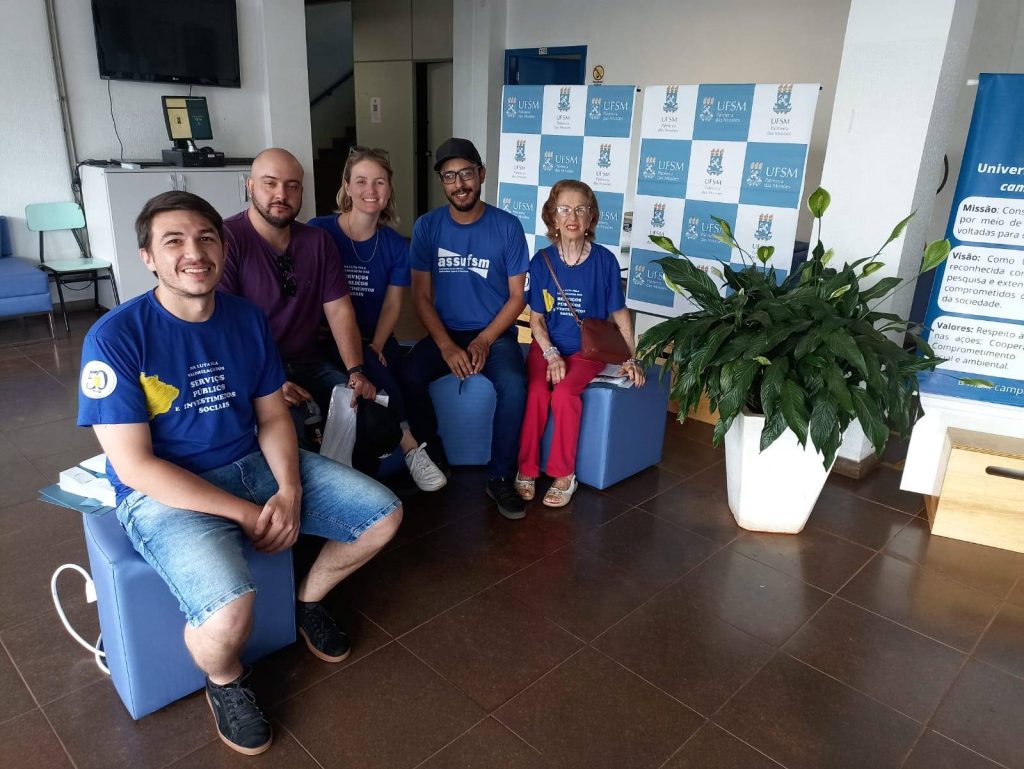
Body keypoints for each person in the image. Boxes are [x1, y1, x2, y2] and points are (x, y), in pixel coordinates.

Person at [78, 191, 402, 756]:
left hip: (251, 462)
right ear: (147, 257)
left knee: (383, 516)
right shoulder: (115, 337)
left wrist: (290, 490)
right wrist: (247, 513)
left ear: (224, 249)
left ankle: (308, 599)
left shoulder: (246, 319)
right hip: (164, 493)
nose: (194, 252)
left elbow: (273, 416)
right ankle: (226, 679)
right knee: (229, 617)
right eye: (173, 241)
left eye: (206, 238)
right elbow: (135, 465)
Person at [217, 148, 377, 456]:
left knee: (365, 417)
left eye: (292, 186)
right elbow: (223, 326)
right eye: (270, 183)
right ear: (250, 186)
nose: (281, 194)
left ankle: (350, 483)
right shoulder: (227, 240)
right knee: (290, 435)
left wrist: (355, 370)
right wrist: (265, 382)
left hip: (309, 363)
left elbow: (339, 310)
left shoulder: (318, 241)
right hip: (256, 369)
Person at [401, 137, 530, 520]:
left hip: (494, 332)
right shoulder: (427, 227)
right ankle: (433, 452)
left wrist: (485, 339)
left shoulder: (507, 227)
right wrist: (445, 345)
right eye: (449, 176)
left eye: (466, 174)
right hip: (447, 331)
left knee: (514, 385)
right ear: (442, 181)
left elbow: (517, 297)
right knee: (409, 374)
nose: (459, 184)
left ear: (481, 174)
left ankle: (500, 476)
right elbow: (420, 296)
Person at [308, 146, 445, 490]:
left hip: (376, 337)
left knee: (386, 368)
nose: (371, 190)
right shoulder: (320, 231)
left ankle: (412, 450)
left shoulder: (395, 245)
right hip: (328, 338)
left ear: (389, 189)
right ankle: (411, 448)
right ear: (347, 186)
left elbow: (393, 305)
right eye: (361, 181)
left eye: (379, 182)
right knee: (377, 374)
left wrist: (378, 344)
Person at [515, 180, 645, 507]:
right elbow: (537, 320)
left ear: (590, 218)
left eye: (580, 209)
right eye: (564, 209)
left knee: (563, 394)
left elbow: (620, 315)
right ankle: (526, 469)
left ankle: (564, 474)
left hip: (587, 351)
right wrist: (550, 354)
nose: (572, 217)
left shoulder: (604, 262)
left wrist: (631, 358)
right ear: (552, 217)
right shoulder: (541, 261)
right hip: (547, 347)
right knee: (535, 392)